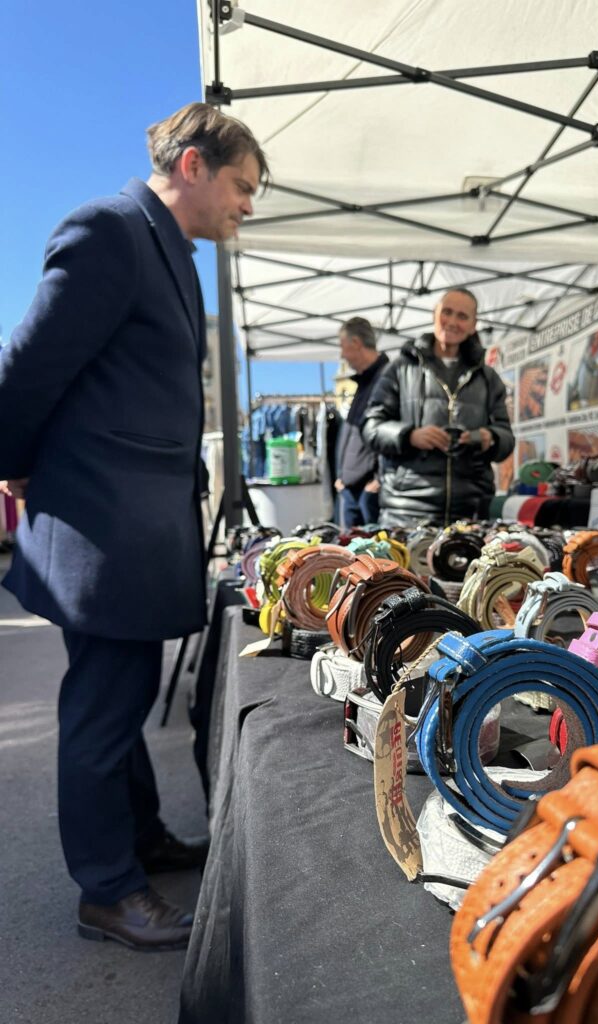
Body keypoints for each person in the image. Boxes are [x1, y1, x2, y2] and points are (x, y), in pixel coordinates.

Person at [0, 103, 268, 951]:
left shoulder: (168, 250)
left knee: (123, 696)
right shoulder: (111, 231)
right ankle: (107, 892)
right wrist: (15, 463)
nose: (248, 205)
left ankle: (139, 840)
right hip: (102, 524)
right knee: (104, 705)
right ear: (193, 165)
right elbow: (29, 365)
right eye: (243, 186)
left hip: (131, 525)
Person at [362, 288, 514, 526]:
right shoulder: (400, 369)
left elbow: (506, 437)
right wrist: (409, 436)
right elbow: (371, 427)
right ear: (434, 314)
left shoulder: (488, 378)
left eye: (462, 316)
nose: (452, 322)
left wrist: (490, 438)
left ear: (473, 325)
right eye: (447, 312)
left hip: (471, 511)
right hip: (407, 511)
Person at [334, 317, 389, 527]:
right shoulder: (366, 381)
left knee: (372, 547)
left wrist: (378, 480)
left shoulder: (385, 379)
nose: (342, 355)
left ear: (356, 343)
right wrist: (342, 476)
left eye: (342, 347)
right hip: (352, 489)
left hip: (368, 493)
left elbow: (389, 432)